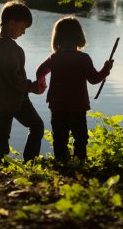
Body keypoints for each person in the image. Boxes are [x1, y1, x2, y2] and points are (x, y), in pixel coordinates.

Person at [36, 16, 113, 164]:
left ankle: (61, 163)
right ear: (79, 36)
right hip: (77, 106)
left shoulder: (54, 58)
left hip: (57, 105)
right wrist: (106, 69)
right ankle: (79, 163)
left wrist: (42, 85)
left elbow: (40, 72)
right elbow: (94, 79)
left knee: (59, 138)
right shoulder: (83, 58)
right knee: (80, 138)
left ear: (57, 37)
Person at [0, 0, 45, 163]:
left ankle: (0, 163)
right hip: (17, 99)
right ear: (11, 23)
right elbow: (14, 79)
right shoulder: (12, 49)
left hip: (1, 98)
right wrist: (33, 87)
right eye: (23, 28)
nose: (23, 33)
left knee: (2, 131)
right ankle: (30, 162)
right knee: (37, 126)